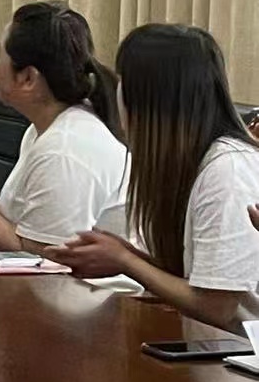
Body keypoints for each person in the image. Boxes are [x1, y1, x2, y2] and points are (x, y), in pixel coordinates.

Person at [49, 25, 259, 331]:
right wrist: (121, 254)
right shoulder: (185, 159)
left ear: (150, 99)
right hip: (197, 346)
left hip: (236, 356)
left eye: (123, 80)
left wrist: (126, 261)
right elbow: (190, 279)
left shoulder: (228, 170)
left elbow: (216, 307)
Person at [0, 2, 128, 252]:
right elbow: (27, 228)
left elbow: (42, 258)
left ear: (28, 78)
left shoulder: (63, 151)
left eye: (0, 57)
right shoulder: (42, 130)